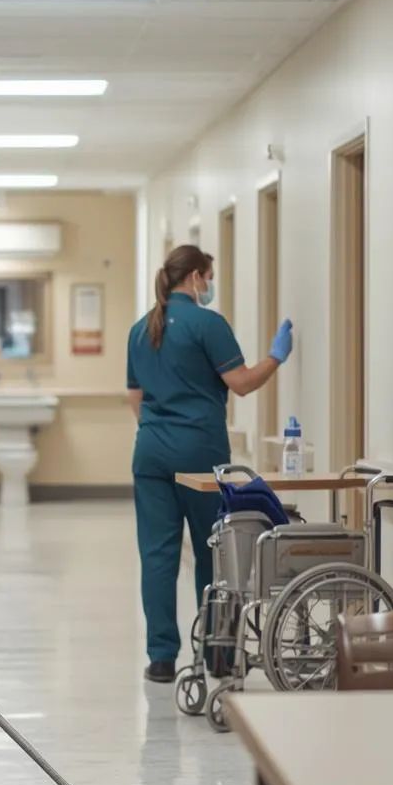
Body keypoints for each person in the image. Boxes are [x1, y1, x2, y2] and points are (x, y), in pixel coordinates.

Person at [127, 244, 293, 683]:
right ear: (197, 277)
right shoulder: (208, 324)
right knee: (213, 551)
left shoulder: (141, 329)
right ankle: (214, 652)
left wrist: (161, 431)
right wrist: (275, 358)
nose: (210, 285)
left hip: (150, 453)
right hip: (200, 453)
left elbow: (135, 399)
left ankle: (161, 658)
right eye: (209, 276)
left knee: (157, 557)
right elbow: (240, 384)